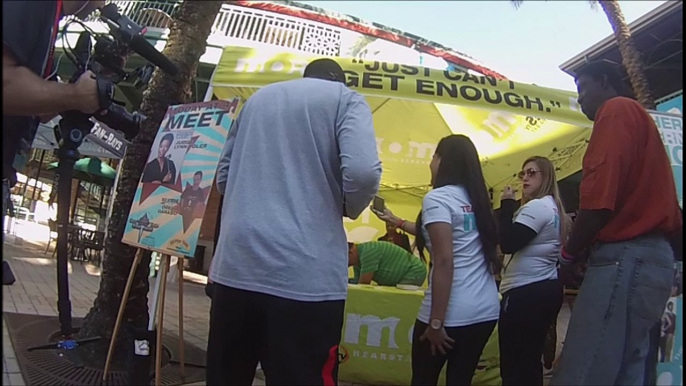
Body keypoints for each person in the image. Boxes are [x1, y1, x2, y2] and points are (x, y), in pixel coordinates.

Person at [207, 58, 381, 385]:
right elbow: (363, 173)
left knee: (226, 376)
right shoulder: (346, 99)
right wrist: (346, 206)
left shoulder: (257, 101)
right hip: (304, 276)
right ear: (339, 81)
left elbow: (223, 177)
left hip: (237, 266)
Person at [551, 61, 683, 386]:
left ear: (605, 81)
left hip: (626, 258)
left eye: (583, 89)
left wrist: (568, 256)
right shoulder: (640, 121)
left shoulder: (616, 110)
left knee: (586, 369)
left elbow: (598, 200)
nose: (580, 99)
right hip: (650, 260)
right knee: (627, 372)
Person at [376, 135, 501, 385]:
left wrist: (436, 322)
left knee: (423, 379)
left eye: (433, 156)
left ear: (444, 161)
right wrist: (398, 222)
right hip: (484, 311)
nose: (430, 163)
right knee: (460, 379)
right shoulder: (476, 198)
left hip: (450, 313)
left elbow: (444, 260)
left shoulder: (438, 198)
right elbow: (447, 235)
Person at [497, 156, 568, 386]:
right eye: (523, 173)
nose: (525, 178)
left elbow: (509, 242)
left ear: (545, 177)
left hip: (526, 291)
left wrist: (507, 205)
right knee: (528, 362)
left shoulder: (537, 207)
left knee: (514, 364)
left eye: (532, 173)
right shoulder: (554, 208)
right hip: (542, 285)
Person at [347, 241, 427, 287]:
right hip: (408, 272)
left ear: (350, 252)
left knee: (398, 300)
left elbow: (363, 284)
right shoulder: (358, 262)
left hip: (414, 271)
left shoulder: (368, 252)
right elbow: (357, 283)